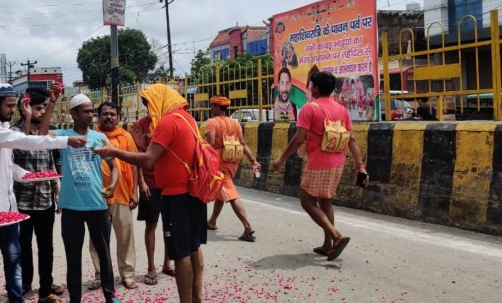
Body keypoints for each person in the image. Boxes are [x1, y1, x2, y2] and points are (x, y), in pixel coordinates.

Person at [0, 83, 86, 303]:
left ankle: (17, 299)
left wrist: (30, 176)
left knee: (14, 258)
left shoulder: (2, 128)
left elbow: (9, 165)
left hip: (9, 206)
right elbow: (24, 142)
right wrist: (65, 140)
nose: (13, 110)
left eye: (16, 106)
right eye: (9, 106)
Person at [94, 84, 206, 303]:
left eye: (149, 102)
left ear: (160, 99)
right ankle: (196, 298)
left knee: (181, 251)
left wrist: (114, 152)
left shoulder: (167, 121)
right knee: (193, 247)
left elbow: (148, 160)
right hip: (193, 192)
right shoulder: (187, 118)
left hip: (178, 194)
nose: (148, 108)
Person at [272, 72, 367, 261]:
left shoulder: (309, 109)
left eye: (310, 85)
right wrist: (360, 165)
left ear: (315, 88)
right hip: (337, 162)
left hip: (318, 163)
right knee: (326, 202)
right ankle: (327, 245)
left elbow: (299, 139)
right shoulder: (342, 110)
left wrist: (281, 159)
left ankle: (336, 236)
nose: (309, 88)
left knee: (307, 202)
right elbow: (352, 140)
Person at [55, 94, 120, 303]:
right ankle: (75, 299)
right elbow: (39, 133)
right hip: (71, 207)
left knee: (104, 253)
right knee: (73, 257)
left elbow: (114, 167)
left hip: (97, 205)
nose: (91, 114)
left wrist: (112, 185)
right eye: (86, 111)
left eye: (92, 110)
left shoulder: (99, 138)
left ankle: (110, 295)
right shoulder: (64, 136)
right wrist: (52, 103)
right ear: (73, 113)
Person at [10, 86, 65, 303]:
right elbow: (24, 148)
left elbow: (49, 161)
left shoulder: (46, 133)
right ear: (26, 107)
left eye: (45, 108)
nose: (42, 112)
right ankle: (25, 283)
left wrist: (57, 190)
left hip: (44, 200)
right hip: (22, 200)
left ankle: (45, 286)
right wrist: (25, 119)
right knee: (23, 244)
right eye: (38, 108)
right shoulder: (14, 133)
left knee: (46, 246)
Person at [89, 101, 138, 290]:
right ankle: (100, 274)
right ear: (98, 116)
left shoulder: (125, 137)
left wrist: (135, 191)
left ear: (118, 117)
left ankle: (128, 274)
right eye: (105, 114)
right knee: (97, 238)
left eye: (112, 114)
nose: (108, 117)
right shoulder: (93, 137)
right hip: (96, 197)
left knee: (125, 236)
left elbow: (134, 164)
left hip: (122, 194)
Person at [204, 96, 260, 242]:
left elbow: (209, 143)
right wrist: (253, 160)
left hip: (219, 163)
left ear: (216, 107)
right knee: (222, 190)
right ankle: (212, 221)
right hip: (233, 162)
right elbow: (243, 143)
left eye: (212, 106)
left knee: (230, 193)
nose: (211, 108)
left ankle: (248, 227)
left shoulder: (211, 123)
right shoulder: (235, 123)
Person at [131, 116, 174, 285]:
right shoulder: (140, 125)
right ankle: (151, 267)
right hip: (150, 182)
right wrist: (141, 182)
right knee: (152, 224)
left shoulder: (170, 122)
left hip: (169, 182)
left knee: (169, 225)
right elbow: (138, 155)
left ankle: (167, 263)